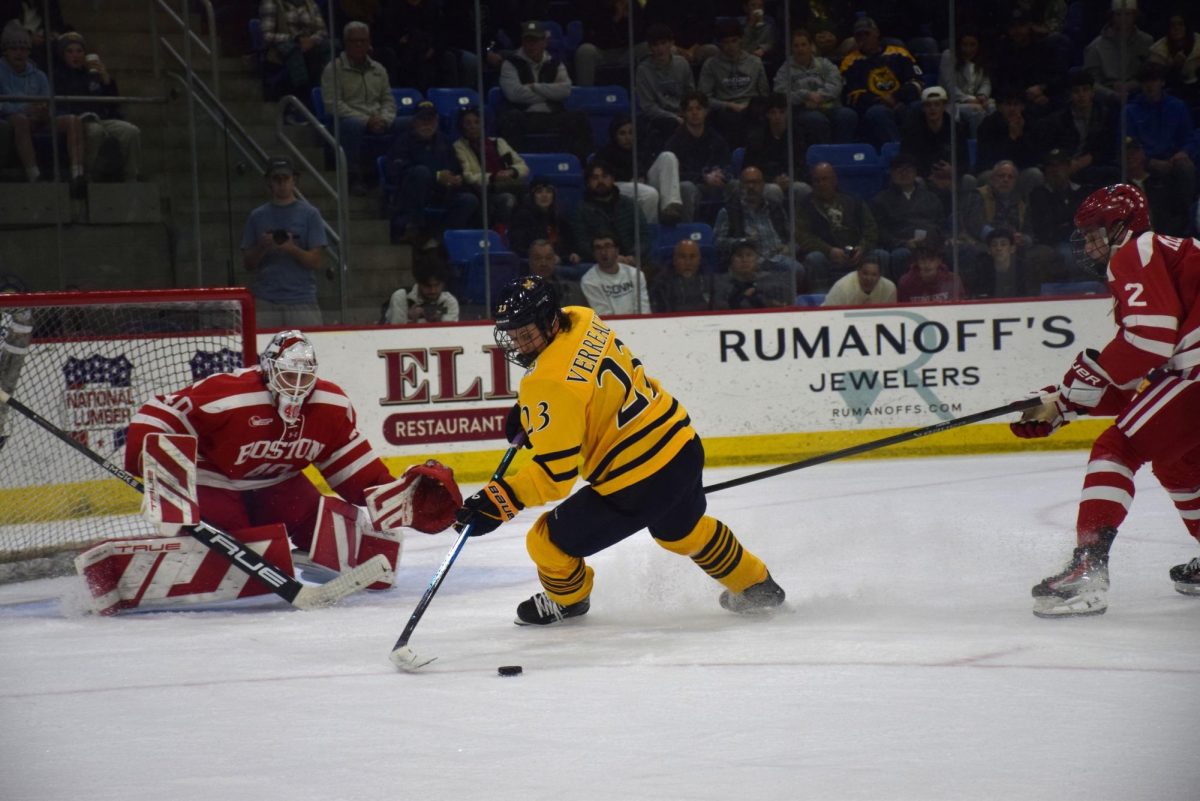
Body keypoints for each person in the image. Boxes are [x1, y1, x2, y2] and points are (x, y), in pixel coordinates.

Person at [453, 275, 786, 624]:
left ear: (550, 319)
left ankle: (568, 601)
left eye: (527, 333)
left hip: (636, 482)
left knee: (545, 542)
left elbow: (556, 476)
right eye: (514, 335)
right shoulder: (582, 318)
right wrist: (532, 413)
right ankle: (756, 585)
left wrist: (500, 500)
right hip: (681, 446)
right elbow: (584, 388)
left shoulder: (545, 383)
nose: (520, 345)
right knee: (682, 533)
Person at [122, 330, 461, 600]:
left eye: (305, 374)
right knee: (246, 550)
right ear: (268, 369)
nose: (297, 384)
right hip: (217, 482)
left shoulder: (330, 405)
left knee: (338, 532)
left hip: (280, 485)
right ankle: (198, 553)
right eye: (288, 373)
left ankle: (282, 554)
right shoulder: (230, 396)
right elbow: (159, 412)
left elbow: (353, 467)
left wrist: (396, 495)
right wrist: (153, 462)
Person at [1010, 184, 1200, 616]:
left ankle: (1087, 572)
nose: (1090, 242)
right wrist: (1061, 405)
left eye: (1096, 231)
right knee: (1179, 462)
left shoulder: (1134, 254)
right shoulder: (1166, 257)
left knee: (1118, 448)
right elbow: (1133, 376)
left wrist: (1079, 382)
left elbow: (1148, 343)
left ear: (1122, 226)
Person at [240, 156, 329, 327]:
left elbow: (316, 261)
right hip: (266, 300)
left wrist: (291, 248)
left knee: (306, 352)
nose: (282, 183)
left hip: (301, 299)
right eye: (277, 179)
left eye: (285, 178)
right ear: (269, 182)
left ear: (294, 180)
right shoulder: (257, 217)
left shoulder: (310, 215)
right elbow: (248, 264)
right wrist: (263, 246)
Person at [319, 20, 404, 195]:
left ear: (369, 42)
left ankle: (398, 175)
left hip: (378, 118)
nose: (359, 44)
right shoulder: (333, 69)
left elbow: (388, 100)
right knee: (352, 125)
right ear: (345, 43)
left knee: (409, 123)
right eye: (354, 41)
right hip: (349, 122)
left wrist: (384, 119)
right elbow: (333, 105)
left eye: (363, 40)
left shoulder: (378, 69)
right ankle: (354, 177)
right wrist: (366, 120)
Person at [0, 22, 83, 188]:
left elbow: (48, 101)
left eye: (23, 49)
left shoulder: (39, 75)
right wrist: (24, 109)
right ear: (5, 51)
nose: (19, 53)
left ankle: (77, 173)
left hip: (38, 119)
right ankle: (34, 175)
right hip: (12, 119)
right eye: (14, 49)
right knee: (21, 120)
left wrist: (45, 112)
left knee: (73, 121)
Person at [385, 100, 479, 246]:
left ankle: (440, 239)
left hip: (441, 193)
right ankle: (413, 227)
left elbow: (455, 167)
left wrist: (455, 178)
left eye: (431, 119)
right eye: (423, 119)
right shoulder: (403, 141)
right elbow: (397, 170)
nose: (427, 124)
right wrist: (436, 176)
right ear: (415, 121)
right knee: (421, 173)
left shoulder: (445, 142)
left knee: (469, 200)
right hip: (411, 194)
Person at [497, 20, 593, 164]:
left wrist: (535, 87)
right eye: (528, 40)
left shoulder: (555, 63)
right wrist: (550, 91)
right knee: (509, 119)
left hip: (552, 115)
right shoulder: (510, 63)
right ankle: (514, 168)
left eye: (535, 41)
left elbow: (565, 90)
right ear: (523, 41)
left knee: (579, 118)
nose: (531, 45)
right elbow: (514, 94)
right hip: (525, 115)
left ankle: (581, 166)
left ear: (544, 42)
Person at [52, 31, 141, 183]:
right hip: (77, 121)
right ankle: (87, 175)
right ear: (63, 54)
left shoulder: (92, 74)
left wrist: (106, 80)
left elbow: (112, 103)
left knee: (131, 131)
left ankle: (131, 178)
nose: (76, 55)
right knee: (95, 131)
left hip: (101, 117)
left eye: (79, 51)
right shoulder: (57, 75)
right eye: (70, 51)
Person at [796, 161, 887, 291]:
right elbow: (802, 236)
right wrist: (829, 250)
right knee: (814, 258)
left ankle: (882, 299)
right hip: (826, 256)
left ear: (834, 180)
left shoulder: (854, 201)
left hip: (857, 256)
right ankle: (821, 301)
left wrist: (862, 247)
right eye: (817, 181)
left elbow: (871, 229)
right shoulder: (805, 205)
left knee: (881, 255)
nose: (821, 184)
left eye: (825, 179)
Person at [839, 16, 922, 148]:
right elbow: (853, 95)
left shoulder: (899, 53)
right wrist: (883, 100)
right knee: (878, 113)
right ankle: (898, 156)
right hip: (875, 108)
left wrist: (895, 97)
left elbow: (917, 82)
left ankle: (922, 152)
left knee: (919, 107)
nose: (863, 38)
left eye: (867, 33)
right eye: (859, 35)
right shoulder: (850, 62)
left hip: (902, 102)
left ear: (876, 33)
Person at [1124, 62, 1197, 208]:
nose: (1149, 85)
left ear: (1162, 82)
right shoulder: (1130, 111)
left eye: (1154, 80)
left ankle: (1191, 220)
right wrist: (1149, 161)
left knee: (1186, 167)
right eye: (1145, 82)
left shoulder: (1177, 106)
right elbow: (1129, 144)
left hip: (1173, 160)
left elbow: (1189, 137)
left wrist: (1183, 152)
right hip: (1145, 162)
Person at [1035, 68, 1120, 190]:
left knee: (1112, 173)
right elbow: (1050, 148)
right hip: (1063, 165)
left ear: (1092, 92)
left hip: (1092, 165)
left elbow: (1107, 147)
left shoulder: (1104, 115)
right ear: (1070, 95)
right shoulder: (1058, 119)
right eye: (1076, 91)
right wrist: (1066, 163)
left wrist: (1085, 161)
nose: (1081, 95)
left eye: (1085, 90)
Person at [596, 114, 685, 226]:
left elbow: (647, 164)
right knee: (650, 194)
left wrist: (641, 174)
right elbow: (605, 176)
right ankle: (650, 231)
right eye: (622, 133)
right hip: (619, 185)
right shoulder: (606, 152)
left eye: (631, 132)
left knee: (668, 156)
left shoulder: (642, 146)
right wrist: (632, 177)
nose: (627, 137)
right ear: (615, 135)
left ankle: (671, 206)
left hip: (642, 183)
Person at [772, 27, 856, 145]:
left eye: (803, 44)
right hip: (802, 110)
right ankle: (823, 157)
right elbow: (780, 94)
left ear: (810, 46)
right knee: (816, 120)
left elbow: (836, 84)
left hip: (829, 105)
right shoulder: (785, 70)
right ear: (791, 48)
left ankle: (842, 153)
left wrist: (820, 96)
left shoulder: (824, 63)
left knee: (847, 115)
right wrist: (805, 95)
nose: (800, 49)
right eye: (796, 46)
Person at [713, 165, 801, 276]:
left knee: (796, 269)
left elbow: (793, 238)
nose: (751, 187)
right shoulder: (729, 211)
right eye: (747, 183)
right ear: (740, 186)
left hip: (778, 258)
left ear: (763, 185)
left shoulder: (775, 208)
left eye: (756, 182)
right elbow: (718, 243)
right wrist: (743, 241)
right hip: (748, 262)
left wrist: (788, 248)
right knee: (794, 269)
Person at [870, 152, 946, 278]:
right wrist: (903, 243)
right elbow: (880, 231)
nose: (904, 173)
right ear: (892, 173)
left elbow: (941, 224)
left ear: (916, 173)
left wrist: (935, 240)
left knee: (953, 250)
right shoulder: (880, 200)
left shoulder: (931, 197)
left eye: (908, 170)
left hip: (931, 244)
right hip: (901, 246)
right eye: (899, 170)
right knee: (901, 255)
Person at [662, 90, 733, 223]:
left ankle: (735, 231)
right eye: (690, 109)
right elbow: (674, 175)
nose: (695, 113)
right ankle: (689, 232)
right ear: (683, 113)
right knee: (686, 187)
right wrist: (704, 177)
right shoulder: (674, 141)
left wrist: (722, 175)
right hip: (694, 185)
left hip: (715, 184)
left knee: (735, 185)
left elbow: (727, 164)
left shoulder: (716, 138)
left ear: (706, 112)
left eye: (699, 109)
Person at [452, 106, 528, 229]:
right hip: (484, 191)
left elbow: (523, 166)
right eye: (468, 123)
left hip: (508, 184)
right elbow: (468, 176)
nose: (473, 126)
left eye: (477, 122)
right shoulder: (459, 146)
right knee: (507, 199)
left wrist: (512, 171)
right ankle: (501, 233)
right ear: (461, 127)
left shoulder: (498, 142)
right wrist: (493, 177)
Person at [697, 18, 769, 147]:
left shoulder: (755, 62)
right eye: (726, 42)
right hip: (725, 110)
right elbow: (704, 98)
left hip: (751, 108)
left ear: (741, 39)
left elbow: (764, 94)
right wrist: (729, 105)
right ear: (720, 43)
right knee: (728, 119)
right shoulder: (711, 65)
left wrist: (750, 106)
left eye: (734, 41)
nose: (730, 46)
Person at [572, 159, 651, 266]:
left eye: (605, 176)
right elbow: (582, 243)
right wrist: (609, 257)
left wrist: (632, 256)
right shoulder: (581, 210)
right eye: (595, 178)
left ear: (613, 179)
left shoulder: (629, 204)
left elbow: (643, 237)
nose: (600, 181)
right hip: (599, 264)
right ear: (588, 182)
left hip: (632, 262)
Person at [897, 85, 971, 199]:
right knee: (916, 181)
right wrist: (931, 175)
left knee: (968, 180)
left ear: (944, 106)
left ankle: (966, 215)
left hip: (951, 177)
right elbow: (907, 161)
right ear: (923, 108)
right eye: (928, 105)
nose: (932, 108)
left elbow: (965, 161)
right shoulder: (911, 131)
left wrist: (953, 172)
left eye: (937, 104)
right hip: (925, 177)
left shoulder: (956, 129)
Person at [741, 92, 812, 209]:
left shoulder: (796, 136)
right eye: (773, 112)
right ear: (767, 114)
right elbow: (750, 167)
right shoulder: (756, 138)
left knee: (804, 189)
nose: (777, 116)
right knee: (774, 190)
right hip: (765, 183)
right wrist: (772, 180)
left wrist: (789, 178)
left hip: (791, 180)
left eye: (781, 112)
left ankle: (800, 224)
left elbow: (801, 165)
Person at [634, 23, 694, 152]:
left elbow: (691, 94)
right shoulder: (643, 70)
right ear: (650, 48)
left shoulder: (682, 63)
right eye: (655, 45)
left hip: (683, 113)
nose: (660, 48)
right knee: (670, 125)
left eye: (663, 43)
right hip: (660, 118)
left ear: (671, 43)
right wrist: (674, 117)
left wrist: (688, 112)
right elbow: (648, 107)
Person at [258, 0, 331, 100]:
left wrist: (311, 40)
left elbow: (323, 31)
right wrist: (296, 39)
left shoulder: (311, 4)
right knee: (299, 53)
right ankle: (303, 95)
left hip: (312, 45)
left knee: (329, 47)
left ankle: (325, 93)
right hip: (285, 48)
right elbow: (267, 36)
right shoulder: (271, 3)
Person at [1083, 1, 1153, 102]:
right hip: (1108, 98)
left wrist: (1134, 84)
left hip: (1142, 94)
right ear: (1112, 16)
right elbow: (1090, 82)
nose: (1123, 19)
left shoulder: (1147, 42)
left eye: (1127, 14)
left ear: (1135, 16)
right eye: (1118, 14)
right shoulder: (1095, 47)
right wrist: (1111, 94)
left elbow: (1153, 74)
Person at [574, 0, 646, 87]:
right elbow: (596, 35)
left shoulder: (633, 5)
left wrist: (629, 18)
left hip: (626, 52)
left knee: (645, 47)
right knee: (585, 51)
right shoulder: (594, 5)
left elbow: (641, 35)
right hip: (601, 52)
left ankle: (645, 93)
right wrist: (616, 17)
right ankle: (585, 94)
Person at [937, 29, 994, 137]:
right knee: (976, 111)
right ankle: (977, 145)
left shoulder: (982, 59)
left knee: (993, 108)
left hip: (976, 101)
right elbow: (950, 86)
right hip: (953, 103)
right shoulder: (948, 56)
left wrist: (982, 96)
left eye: (972, 45)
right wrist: (971, 100)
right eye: (965, 45)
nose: (968, 49)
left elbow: (986, 82)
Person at [507, 180, 580, 263]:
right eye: (539, 192)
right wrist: (546, 257)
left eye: (549, 192)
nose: (544, 195)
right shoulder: (522, 217)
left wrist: (573, 254)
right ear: (532, 195)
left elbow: (570, 242)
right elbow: (519, 248)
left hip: (560, 262)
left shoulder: (559, 217)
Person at [579, 232, 651, 315]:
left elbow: (643, 309)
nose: (603, 252)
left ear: (617, 250)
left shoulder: (636, 274)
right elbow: (603, 315)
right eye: (598, 248)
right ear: (593, 253)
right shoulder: (589, 281)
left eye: (608, 246)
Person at [713, 239, 794, 309]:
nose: (744, 259)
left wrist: (757, 293)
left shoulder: (771, 280)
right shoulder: (721, 283)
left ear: (757, 259)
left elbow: (787, 301)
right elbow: (718, 306)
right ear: (731, 260)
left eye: (749, 255)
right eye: (739, 255)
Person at [969, 226, 1036, 299]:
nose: (999, 248)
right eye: (994, 245)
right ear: (989, 250)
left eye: (1003, 244)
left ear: (1012, 249)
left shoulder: (1024, 269)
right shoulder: (981, 270)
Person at [1149, 13, 1200, 108]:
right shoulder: (1157, 50)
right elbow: (1156, 80)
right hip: (1171, 93)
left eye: (1180, 24)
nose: (1176, 28)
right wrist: (1173, 66)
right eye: (1172, 25)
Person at [384, 262, 460, 325]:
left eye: (437, 285)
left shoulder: (448, 301)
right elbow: (395, 336)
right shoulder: (401, 297)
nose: (433, 290)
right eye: (428, 286)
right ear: (418, 283)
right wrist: (411, 320)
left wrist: (438, 322)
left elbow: (451, 336)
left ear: (443, 284)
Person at [649, 238, 712, 312]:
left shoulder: (711, 280)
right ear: (674, 259)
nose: (688, 262)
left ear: (699, 259)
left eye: (692, 257)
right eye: (682, 257)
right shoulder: (662, 284)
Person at [896, 238, 966, 303]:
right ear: (917, 261)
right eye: (923, 259)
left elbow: (959, 309)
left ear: (939, 261)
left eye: (931, 260)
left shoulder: (952, 280)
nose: (927, 264)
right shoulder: (905, 283)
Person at [526, 238, 586, 307]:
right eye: (538, 258)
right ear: (530, 262)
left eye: (548, 258)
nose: (544, 263)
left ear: (554, 260)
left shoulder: (574, 290)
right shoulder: (519, 292)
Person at [821, 255, 897, 306]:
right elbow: (829, 315)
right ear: (858, 271)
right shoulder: (843, 287)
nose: (869, 279)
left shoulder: (889, 288)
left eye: (874, 275)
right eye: (865, 273)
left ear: (880, 275)